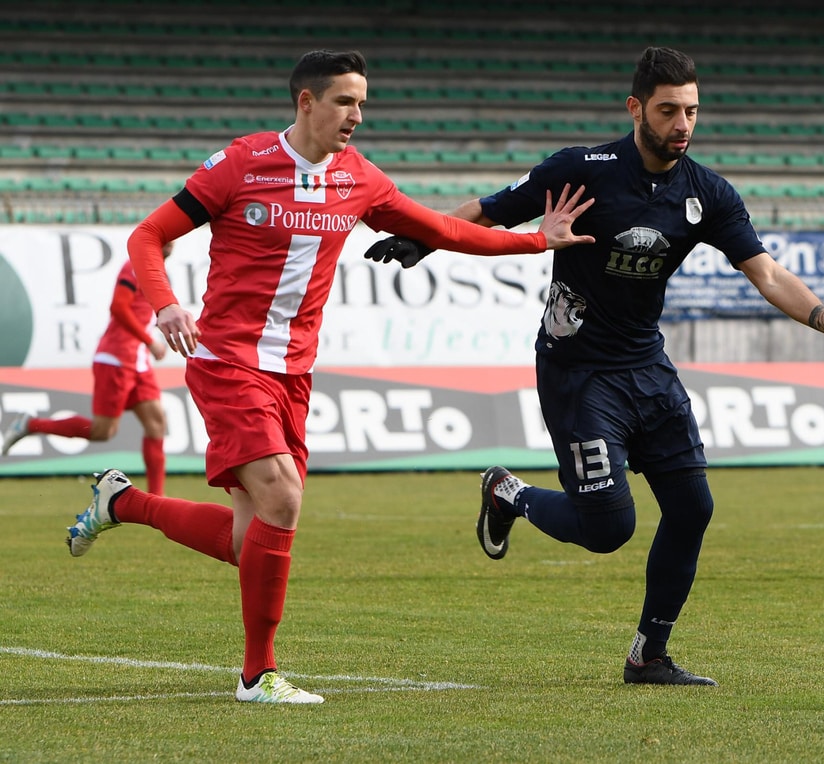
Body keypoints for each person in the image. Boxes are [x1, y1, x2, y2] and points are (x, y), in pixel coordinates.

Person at [62, 49, 594, 705]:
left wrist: (538, 240)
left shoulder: (359, 178)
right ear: (306, 101)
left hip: (293, 375)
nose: (357, 115)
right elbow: (147, 236)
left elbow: (445, 231)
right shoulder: (242, 163)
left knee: (248, 540)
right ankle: (257, 676)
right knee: (283, 499)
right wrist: (166, 303)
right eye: (345, 101)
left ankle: (121, 502)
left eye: (362, 103)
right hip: (228, 361)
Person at [379, 46, 824, 685]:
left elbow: (768, 273)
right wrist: (423, 239)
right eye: (668, 110)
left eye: (692, 111)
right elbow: (491, 208)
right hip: (578, 373)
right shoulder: (580, 170)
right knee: (609, 529)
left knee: (693, 509)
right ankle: (508, 492)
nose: (683, 124)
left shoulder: (707, 192)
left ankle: (649, 656)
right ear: (635, 108)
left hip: (648, 368)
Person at [2, 243, 175, 495]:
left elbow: (143, 312)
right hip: (116, 358)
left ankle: (156, 500)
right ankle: (31, 424)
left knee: (157, 423)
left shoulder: (157, 273)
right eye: (166, 237)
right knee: (102, 431)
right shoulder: (134, 267)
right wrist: (149, 341)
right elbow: (118, 307)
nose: (172, 242)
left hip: (138, 362)